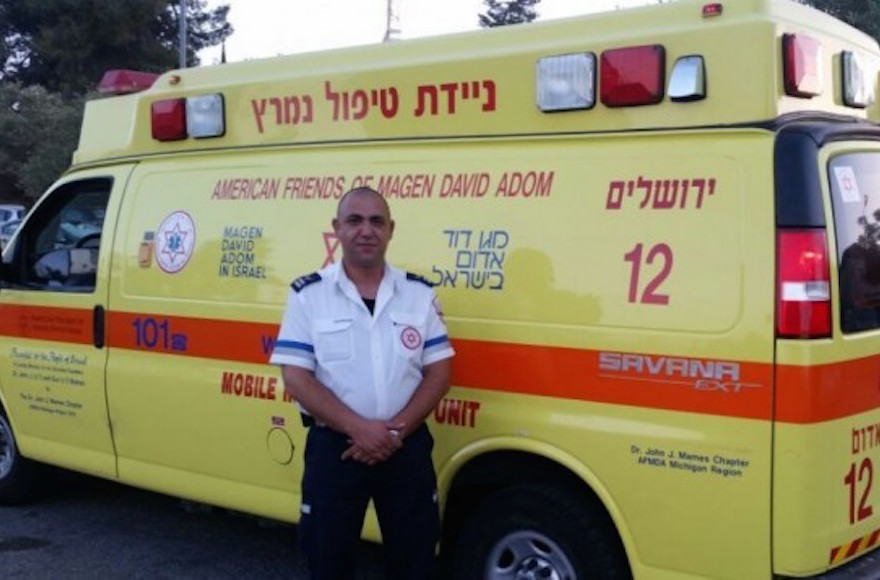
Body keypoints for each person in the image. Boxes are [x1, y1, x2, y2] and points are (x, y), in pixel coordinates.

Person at [270, 186, 454, 580]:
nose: (366, 230)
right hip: (335, 452)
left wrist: (392, 431)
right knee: (328, 562)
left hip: (404, 449)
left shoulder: (418, 295)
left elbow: (439, 373)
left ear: (391, 230)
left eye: (376, 221)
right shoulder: (309, 296)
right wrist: (361, 430)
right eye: (354, 221)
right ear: (337, 229)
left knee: (416, 562)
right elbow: (296, 377)